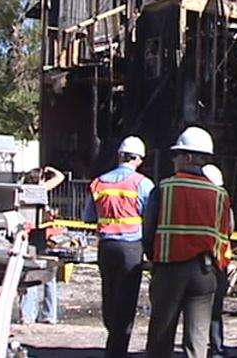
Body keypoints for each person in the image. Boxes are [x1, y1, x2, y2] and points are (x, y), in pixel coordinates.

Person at [144, 127, 234, 358]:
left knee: (161, 335)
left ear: (188, 157)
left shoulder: (165, 188)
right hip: (205, 272)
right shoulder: (220, 195)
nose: (173, 160)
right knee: (197, 339)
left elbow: (148, 231)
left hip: (170, 268)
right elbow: (226, 232)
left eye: (176, 155)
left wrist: (154, 258)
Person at [83, 136, 154, 357]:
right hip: (131, 248)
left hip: (106, 247)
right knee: (126, 298)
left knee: (109, 294)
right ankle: (117, 348)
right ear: (140, 159)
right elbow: (150, 217)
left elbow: (88, 216)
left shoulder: (98, 183)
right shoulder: (143, 184)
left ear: (119, 156)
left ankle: (113, 336)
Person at [20, 165, 66, 325]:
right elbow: (60, 177)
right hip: (39, 236)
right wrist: (50, 169)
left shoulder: (21, 192)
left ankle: (27, 315)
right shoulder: (40, 190)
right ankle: (49, 314)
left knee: (29, 274)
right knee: (48, 275)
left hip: (25, 236)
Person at [202, 164, 229, 358]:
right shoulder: (223, 199)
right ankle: (217, 349)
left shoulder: (197, 199)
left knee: (196, 309)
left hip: (198, 260)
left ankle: (199, 347)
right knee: (215, 310)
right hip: (219, 261)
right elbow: (230, 228)